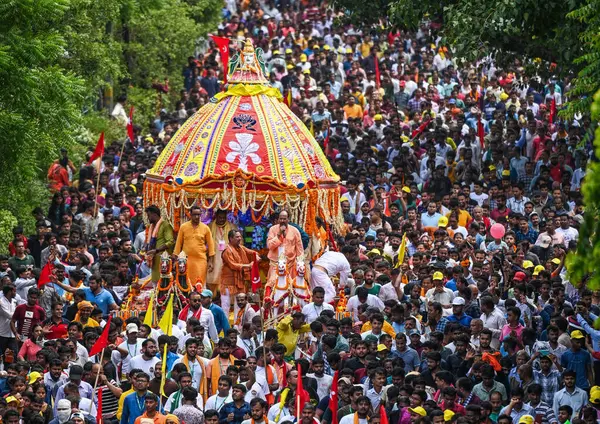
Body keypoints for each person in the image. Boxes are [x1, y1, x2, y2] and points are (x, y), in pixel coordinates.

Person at [174, 205, 216, 288]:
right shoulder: (184, 227)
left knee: (200, 283)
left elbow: (211, 246)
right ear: (190, 215)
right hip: (186, 260)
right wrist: (175, 259)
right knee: (186, 282)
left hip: (200, 260)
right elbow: (178, 244)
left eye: (198, 215)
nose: (197, 217)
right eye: (194, 215)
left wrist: (211, 261)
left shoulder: (205, 228)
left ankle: (199, 299)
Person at [221, 229, 259, 315]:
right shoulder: (227, 251)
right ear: (231, 239)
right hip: (228, 282)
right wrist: (248, 266)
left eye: (240, 237)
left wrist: (256, 255)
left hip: (239, 281)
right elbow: (232, 265)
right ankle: (225, 327)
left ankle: (238, 327)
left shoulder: (241, 248)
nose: (240, 238)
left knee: (239, 306)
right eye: (237, 237)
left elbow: (251, 252)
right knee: (225, 306)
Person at [266, 211, 304, 285]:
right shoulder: (272, 229)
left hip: (291, 264)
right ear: (278, 219)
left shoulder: (295, 231)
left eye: (284, 219)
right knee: (272, 285)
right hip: (275, 265)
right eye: (281, 219)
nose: (282, 221)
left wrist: (300, 263)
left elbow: (300, 249)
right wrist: (279, 235)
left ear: (288, 220)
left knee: (294, 287)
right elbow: (270, 246)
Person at [206, 209, 237, 294]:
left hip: (227, 256)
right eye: (220, 217)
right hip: (214, 256)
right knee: (212, 278)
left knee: (226, 278)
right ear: (216, 217)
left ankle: (224, 298)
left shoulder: (232, 227)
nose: (222, 219)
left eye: (224, 218)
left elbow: (238, 242)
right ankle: (212, 297)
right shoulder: (210, 226)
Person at [144, 205, 175, 283]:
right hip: (154, 259)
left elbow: (171, 241)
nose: (148, 218)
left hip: (163, 260)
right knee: (155, 283)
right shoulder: (151, 227)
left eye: (149, 216)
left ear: (154, 214)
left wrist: (157, 250)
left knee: (163, 283)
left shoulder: (165, 225)